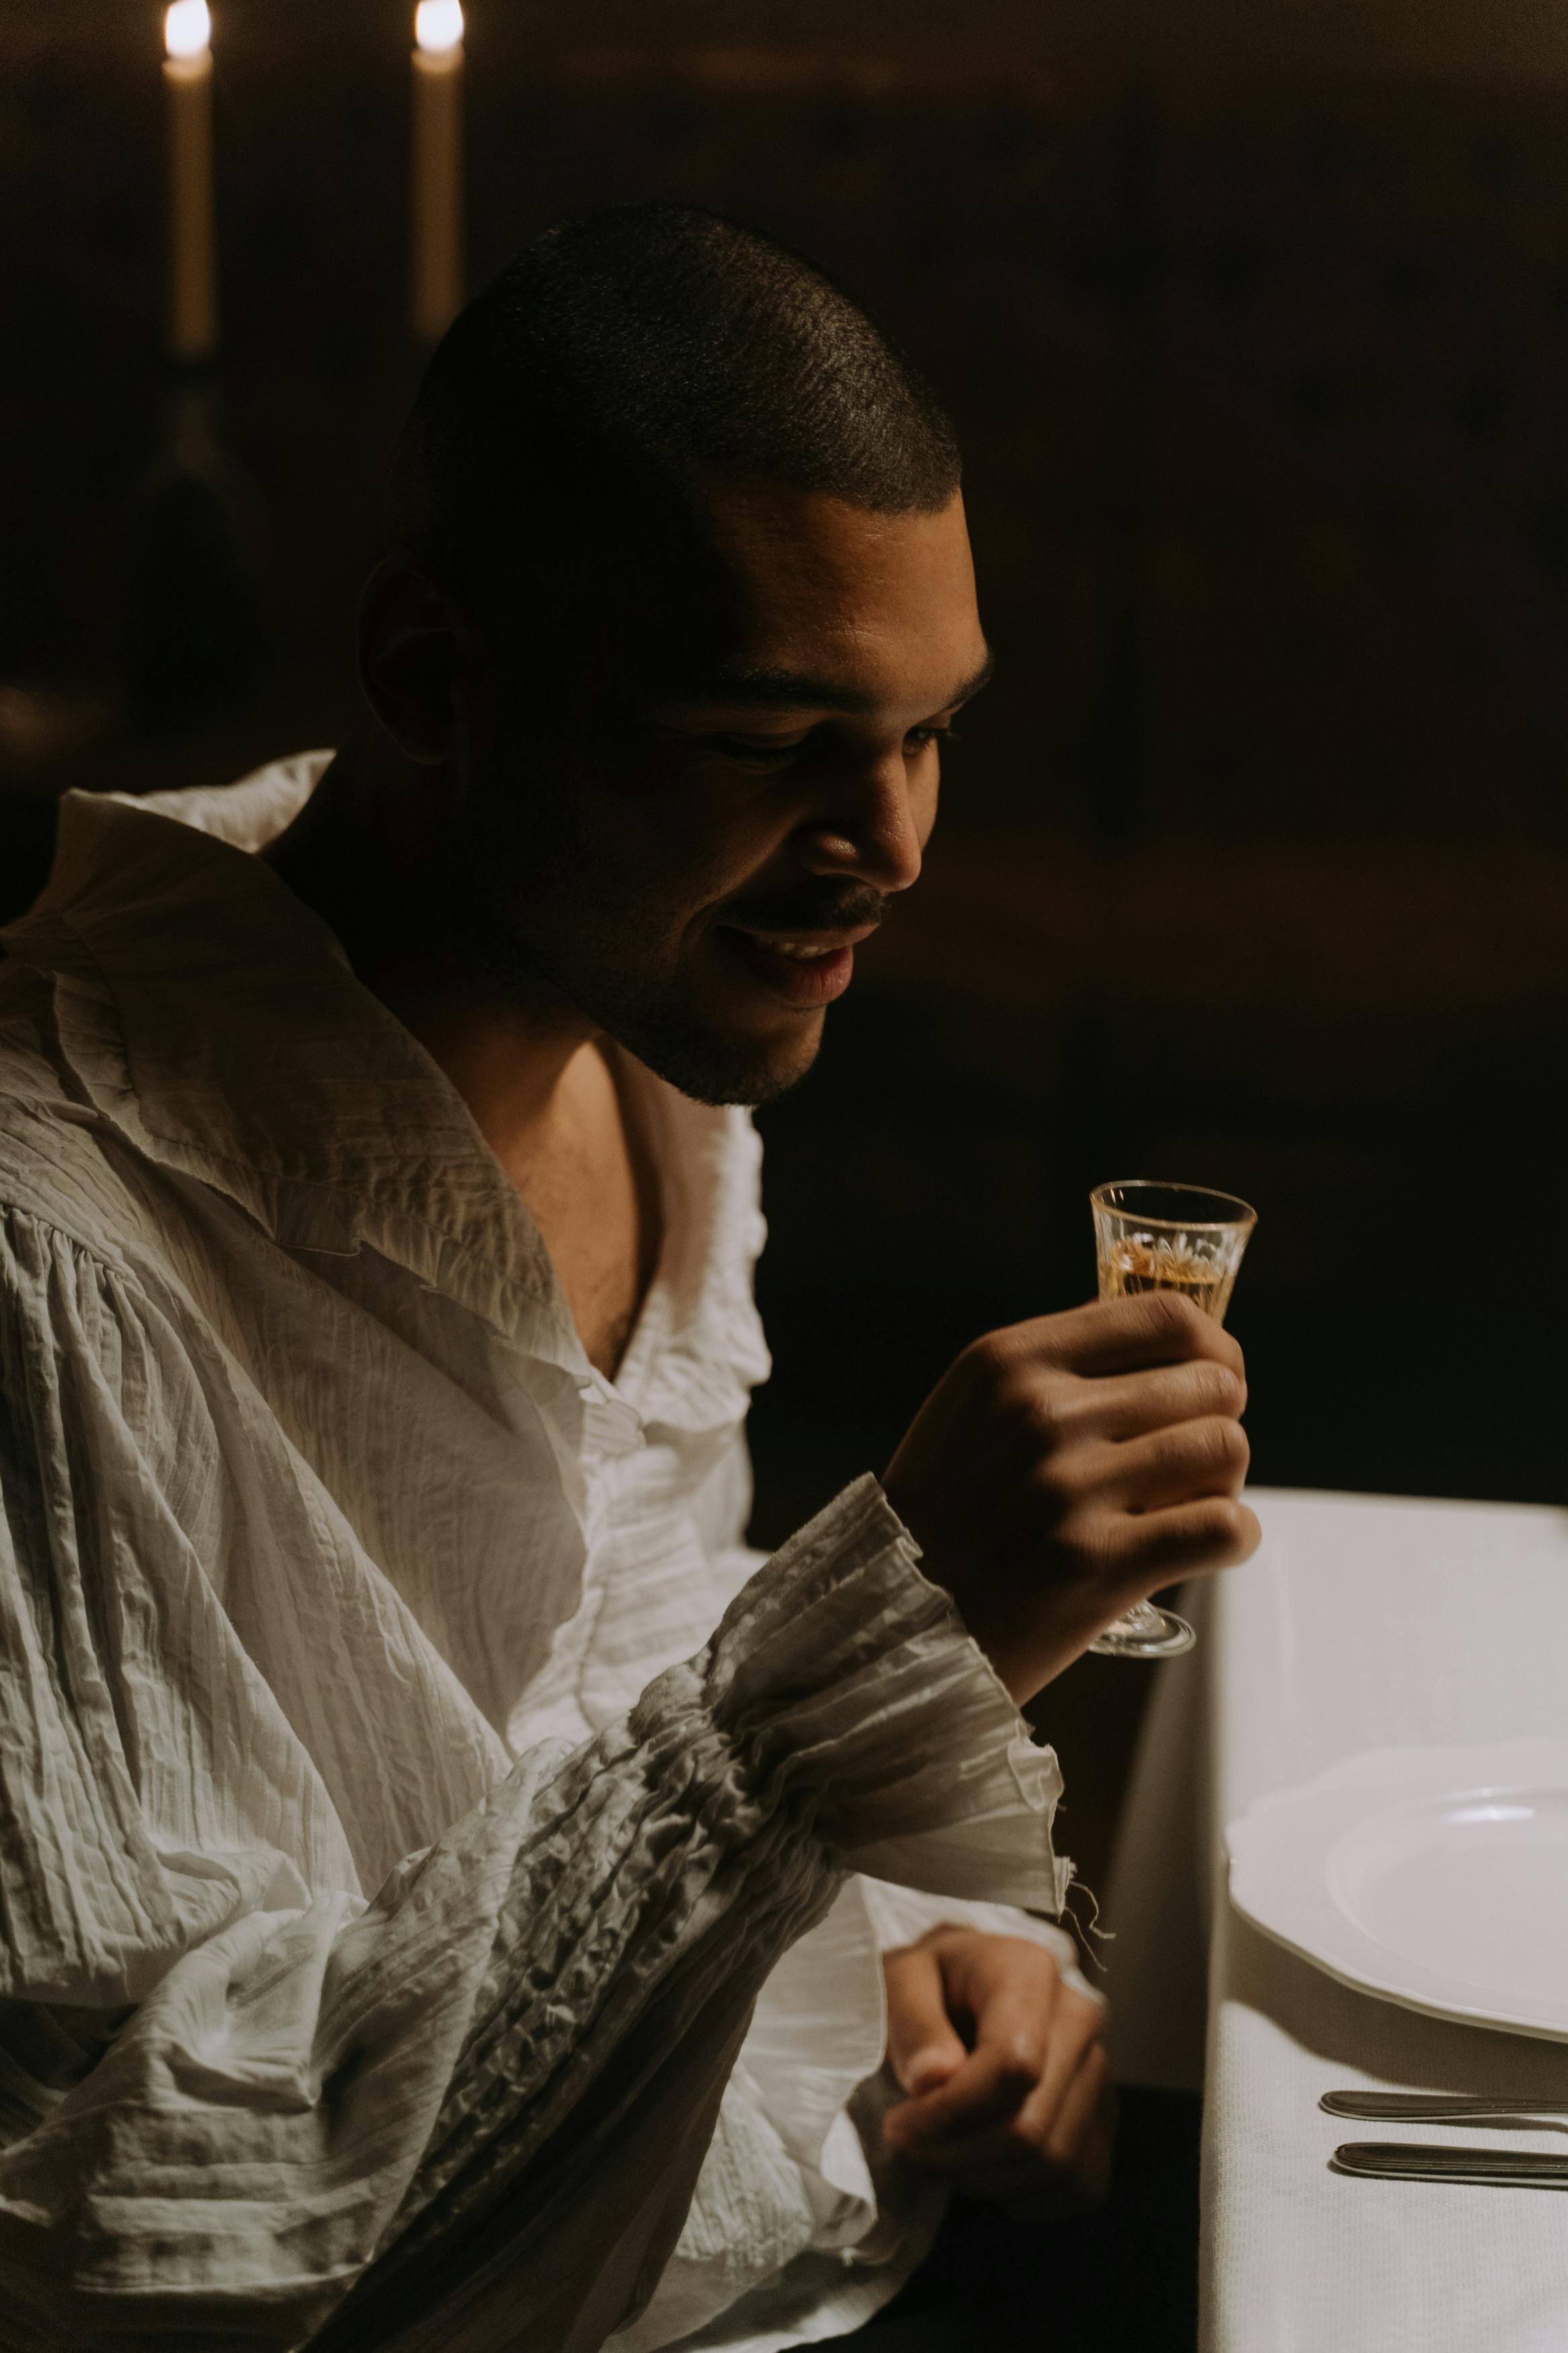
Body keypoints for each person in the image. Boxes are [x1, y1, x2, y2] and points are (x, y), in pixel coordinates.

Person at [0, 206, 1257, 2352]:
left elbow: (593, 1704)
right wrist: (868, 1667)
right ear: (432, 679)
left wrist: (909, 1933)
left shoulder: (658, 1046)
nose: (896, 843)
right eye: (774, 739)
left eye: (928, 732)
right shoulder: (52, 1253)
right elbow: (133, 2246)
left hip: (817, 2241)